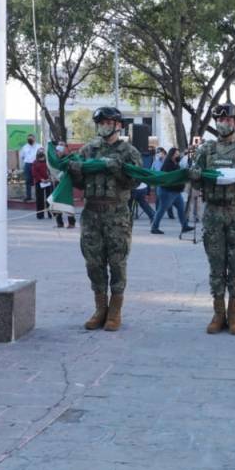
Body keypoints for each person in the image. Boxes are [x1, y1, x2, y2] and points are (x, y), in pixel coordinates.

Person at [67, 107, 143, 332]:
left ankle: (115, 311)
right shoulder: (88, 150)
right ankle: (100, 309)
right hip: (91, 213)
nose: (104, 126)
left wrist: (117, 169)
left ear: (119, 125)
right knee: (93, 263)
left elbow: (136, 182)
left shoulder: (129, 151)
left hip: (116, 214)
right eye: (101, 123)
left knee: (117, 263)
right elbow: (79, 183)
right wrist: (75, 170)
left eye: (109, 122)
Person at [189, 104, 235, 335]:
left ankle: (234, 315)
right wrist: (194, 176)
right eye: (220, 120)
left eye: (228, 120)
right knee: (216, 265)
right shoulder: (206, 150)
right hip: (213, 213)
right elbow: (196, 179)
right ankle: (218, 314)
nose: (223, 123)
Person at [151, 147, 193, 235]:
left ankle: (184, 226)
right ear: (172, 155)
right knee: (162, 209)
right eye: (176, 154)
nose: (178, 155)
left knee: (181, 208)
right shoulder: (168, 165)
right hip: (167, 191)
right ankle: (154, 227)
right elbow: (171, 178)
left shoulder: (175, 164)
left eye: (178, 154)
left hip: (175, 191)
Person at [52, 143, 77, 228]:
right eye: (57, 151)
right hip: (57, 182)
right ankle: (59, 222)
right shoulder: (55, 159)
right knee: (56, 201)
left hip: (66, 183)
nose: (57, 152)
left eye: (59, 151)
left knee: (67, 202)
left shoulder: (69, 158)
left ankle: (71, 222)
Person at [19, 133, 41, 202]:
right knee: (28, 180)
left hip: (36, 164)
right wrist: (27, 161)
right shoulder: (25, 147)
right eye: (28, 139)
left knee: (37, 180)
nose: (30, 140)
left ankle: (38, 196)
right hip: (28, 164)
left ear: (34, 139)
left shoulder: (39, 146)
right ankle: (28, 196)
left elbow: (42, 155)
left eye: (31, 138)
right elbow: (22, 156)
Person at [31, 148, 52, 220]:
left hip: (48, 181)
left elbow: (50, 170)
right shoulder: (35, 162)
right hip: (39, 182)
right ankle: (40, 215)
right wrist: (41, 179)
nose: (41, 159)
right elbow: (34, 172)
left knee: (49, 198)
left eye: (42, 157)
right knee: (40, 199)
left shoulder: (48, 162)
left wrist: (49, 178)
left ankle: (50, 214)